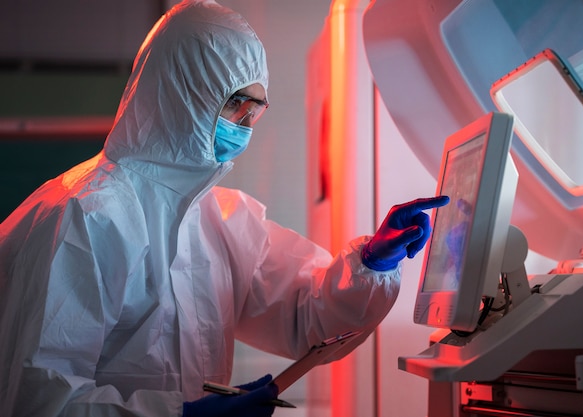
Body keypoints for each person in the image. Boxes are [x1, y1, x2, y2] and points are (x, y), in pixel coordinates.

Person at [0, 1, 449, 416]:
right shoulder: (85, 216)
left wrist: (372, 262)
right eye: (234, 104)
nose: (244, 128)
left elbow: (305, 316)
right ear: (178, 92)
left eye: (253, 111)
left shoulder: (219, 218)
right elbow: (39, 399)